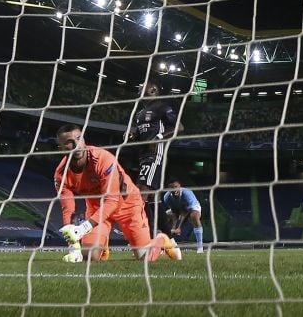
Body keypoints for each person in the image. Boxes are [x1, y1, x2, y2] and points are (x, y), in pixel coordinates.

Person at [54, 123, 182, 262]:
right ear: (60, 149)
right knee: (89, 257)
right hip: (97, 208)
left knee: (145, 257)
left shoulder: (103, 159)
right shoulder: (61, 175)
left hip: (128, 205)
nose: (76, 144)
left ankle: (162, 240)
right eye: (69, 142)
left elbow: (112, 201)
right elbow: (68, 210)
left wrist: (84, 228)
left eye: (79, 138)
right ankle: (102, 246)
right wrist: (73, 248)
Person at [127, 78, 184, 237]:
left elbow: (179, 127)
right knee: (153, 201)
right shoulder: (139, 114)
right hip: (142, 156)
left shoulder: (161, 107)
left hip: (155, 155)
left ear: (153, 90)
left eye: (143, 86)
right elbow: (140, 135)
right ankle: (168, 239)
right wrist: (132, 134)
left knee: (141, 193)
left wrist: (159, 137)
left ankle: (142, 236)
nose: (139, 88)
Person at [163, 178, 204, 253]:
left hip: (192, 208)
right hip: (178, 210)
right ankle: (166, 246)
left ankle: (200, 247)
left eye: (176, 187)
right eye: (171, 188)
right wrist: (173, 227)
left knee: (194, 216)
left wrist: (179, 227)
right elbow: (174, 212)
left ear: (179, 186)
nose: (174, 189)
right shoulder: (167, 197)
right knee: (163, 217)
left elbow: (185, 211)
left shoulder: (187, 194)